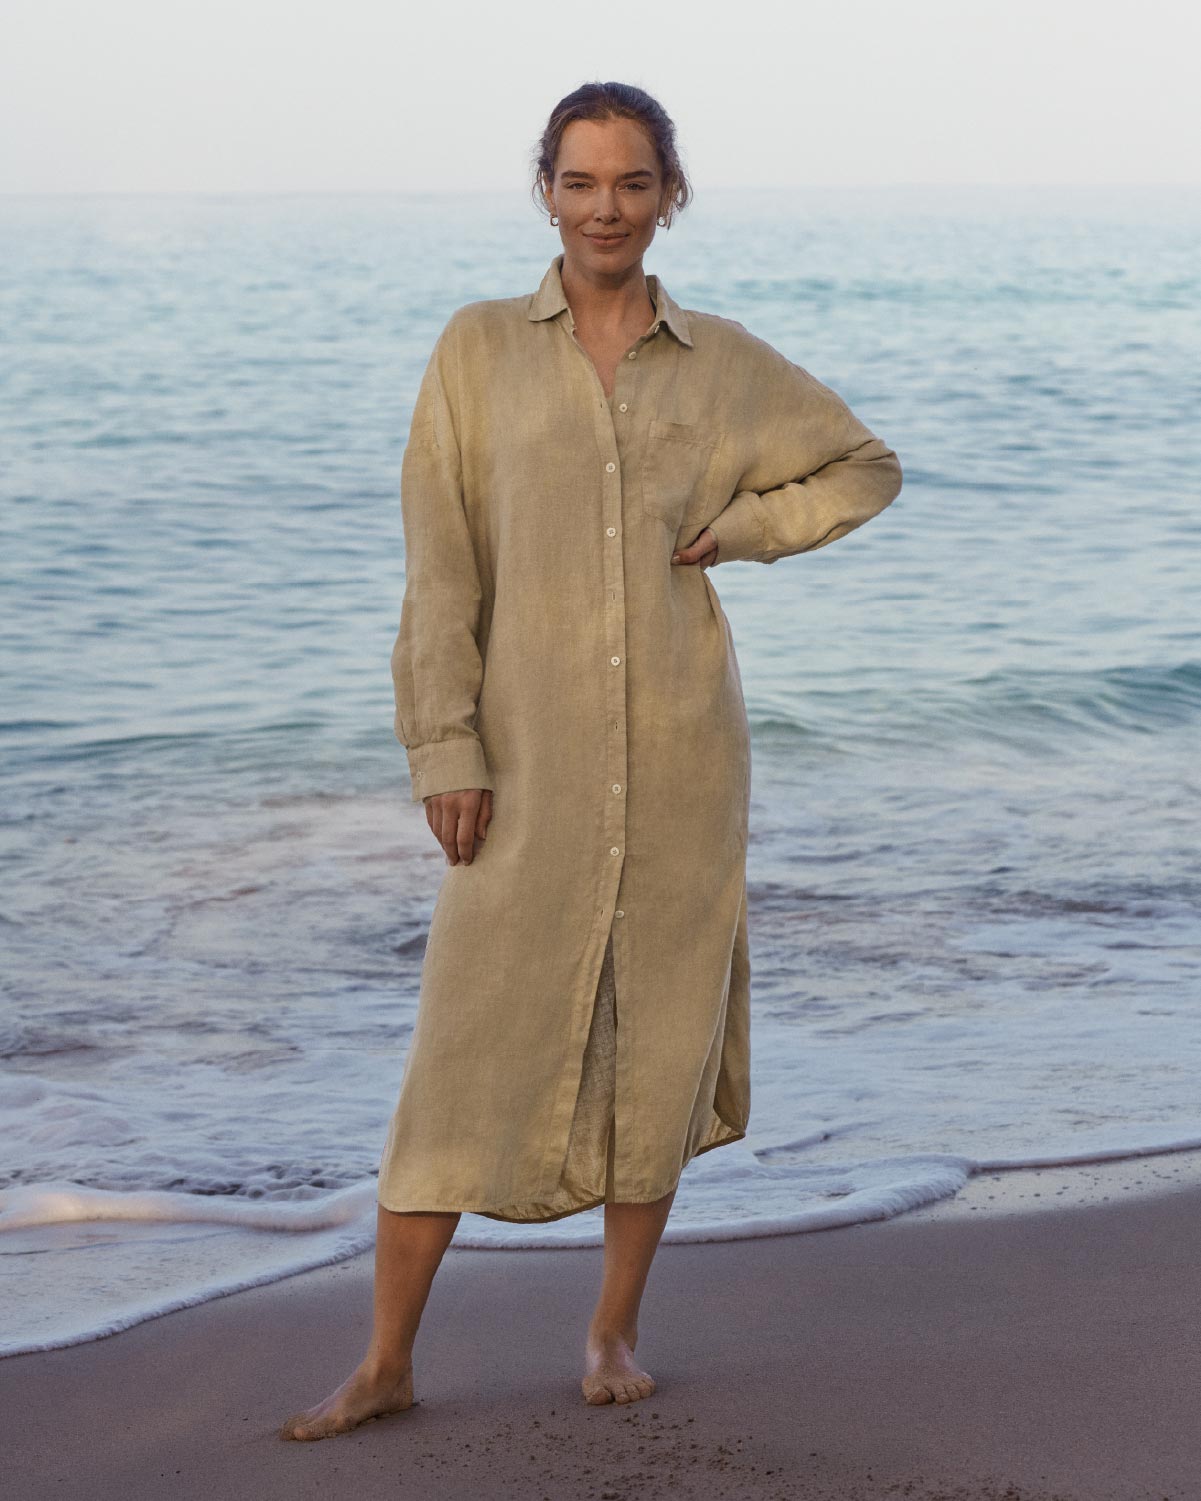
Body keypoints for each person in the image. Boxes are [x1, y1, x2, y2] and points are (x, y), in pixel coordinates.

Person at [279, 80, 902, 1443]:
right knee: (461, 1050)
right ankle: (385, 1357)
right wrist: (446, 742)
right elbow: (440, 568)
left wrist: (740, 529)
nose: (604, 207)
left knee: (655, 1046)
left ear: (668, 193)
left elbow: (862, 467)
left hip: (683, 763)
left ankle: (613, 1324)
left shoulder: (724, 365)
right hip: (524, 770)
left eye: (630, 182)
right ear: (545, 191)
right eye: (579, 181)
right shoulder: (476, 352)